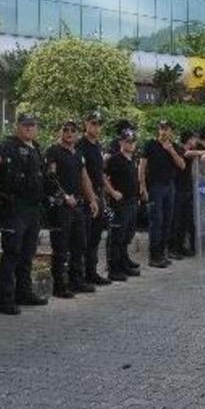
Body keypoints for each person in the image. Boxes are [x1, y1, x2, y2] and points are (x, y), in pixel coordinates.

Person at [0, 113, 49, 315]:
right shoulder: (7, 146)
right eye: (25, 125)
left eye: (32, 126)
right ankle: (4, 299)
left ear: (37, 128)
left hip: (33, 209)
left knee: (27, 254)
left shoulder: (37, 149)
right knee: (12, 254)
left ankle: (24, 293)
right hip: (14, 208)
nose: (29, 129)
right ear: (18, 127)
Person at [44, 120, 100, 298]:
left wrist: (92, 199)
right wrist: (64, 196)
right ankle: (59, 286)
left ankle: (77, 281)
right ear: (59, 132)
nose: (69, 133)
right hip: (60, 205)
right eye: (65, 130)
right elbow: (51, 178)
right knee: (60, 247)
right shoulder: (53, 151)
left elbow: (85, 178)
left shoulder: (78, 153)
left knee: (79, 244)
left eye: (72, 130)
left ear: (77, 133)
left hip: (77, 205)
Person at [139, 120, 185, 268]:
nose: (164, 131)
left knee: (167, 220)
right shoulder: (150, 145)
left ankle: (162, 253)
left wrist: (171, 150)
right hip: (155, 186)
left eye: (167, 129)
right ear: (158, 130)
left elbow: (182, 165)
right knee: (156, 220)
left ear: (171, 131)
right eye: (162, 128)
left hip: (169, 186)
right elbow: (142, 167)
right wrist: (142, 187)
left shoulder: (174, 146)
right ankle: (154, 255)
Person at [77, 112, 113, 285]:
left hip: (98, 194)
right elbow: (80, 174)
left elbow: (100, 173)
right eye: (93, 123)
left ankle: (92, 272)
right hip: (85, 196)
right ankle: (81, 274)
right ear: (86, 124)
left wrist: (106, 193)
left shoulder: (98, 145)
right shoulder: (80, 145)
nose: (96, 127)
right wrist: (90, 196)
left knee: (95, 237)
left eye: (99, 124)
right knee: (84, 238)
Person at [104, 128, 141, 281]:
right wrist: (112, 192)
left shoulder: (132, 159)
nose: (130, 144)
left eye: (132, 142)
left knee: (127, 235)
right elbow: (103, 177)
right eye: (127, 141)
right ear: (121, 142)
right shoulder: (114, 159)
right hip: (120, 204)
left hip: (132, 201)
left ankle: (123, 262)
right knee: (116, 236)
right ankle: (114, 268)